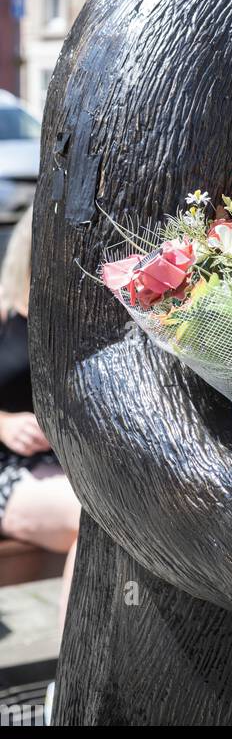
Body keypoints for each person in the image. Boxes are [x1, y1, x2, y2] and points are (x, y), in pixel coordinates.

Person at [0, 207, 79, 630]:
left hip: (59, 465)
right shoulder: (3, 310)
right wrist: (4, 424)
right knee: (95, 522)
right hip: (6, 466)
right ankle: (72, 676)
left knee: (120, 516)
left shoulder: (77, 314)